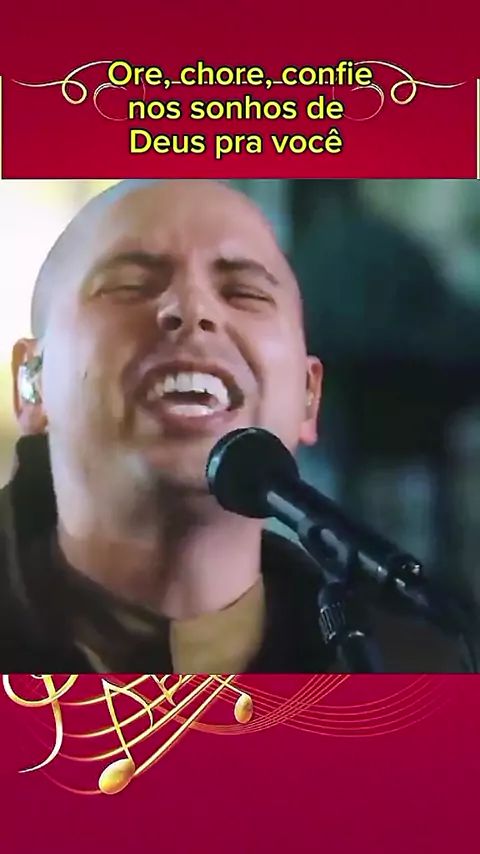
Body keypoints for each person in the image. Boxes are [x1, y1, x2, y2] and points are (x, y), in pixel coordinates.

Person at [0, 179, 468, 673]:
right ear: (31, 383)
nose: (193, 309)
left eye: (244, 292)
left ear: (309, 397)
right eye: (130, 285)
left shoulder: (419, 669)